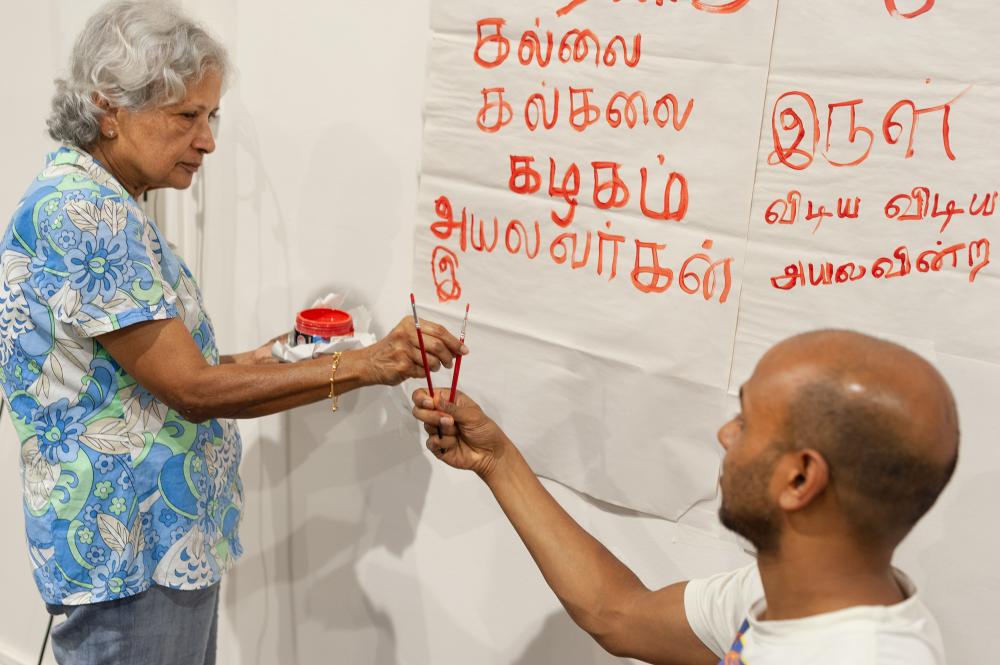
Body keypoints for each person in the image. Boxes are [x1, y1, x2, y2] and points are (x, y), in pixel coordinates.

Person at [0, 2, 465, 664]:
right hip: (133, 559)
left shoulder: (104, 203)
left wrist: (302, 352)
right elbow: (193, 388)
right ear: (110, 110)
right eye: (187, 117)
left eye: (211, 116)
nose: (209, 139)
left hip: (152, 551)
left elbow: (176, 370)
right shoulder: (86, 214)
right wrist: (368, 365)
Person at [411, 330, 958, 664]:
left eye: (746, 421)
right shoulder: (786, 593)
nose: (725, 434)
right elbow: (619, 614)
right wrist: (496, 460)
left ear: (799, 480)